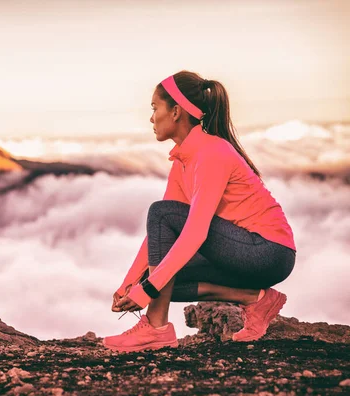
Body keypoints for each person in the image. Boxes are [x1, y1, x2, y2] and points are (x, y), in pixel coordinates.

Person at [103, 71, 296, 353]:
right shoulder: (183, 160)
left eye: (155, 108)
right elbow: (159, 235)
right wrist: (129, 284)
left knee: (159, 238)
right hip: (242, 254)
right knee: (157, 278)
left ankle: (155, 329)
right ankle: (257, 299)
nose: (151, 117)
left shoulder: (212, 153)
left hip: (268, 251)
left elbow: (193, 232)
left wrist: (147, 291)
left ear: (176, 111)